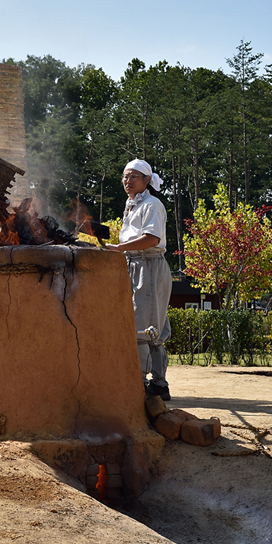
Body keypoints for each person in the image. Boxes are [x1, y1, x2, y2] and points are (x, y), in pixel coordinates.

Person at [105, 159, 173, 401]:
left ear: (146, 180)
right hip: (135, 264)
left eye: (134, 176)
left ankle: (143, 383)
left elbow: (152, 239)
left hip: (149, 265)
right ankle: (157, 384)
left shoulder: (152, 204)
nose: (128, 181)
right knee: (145, 323)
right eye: (125, 176)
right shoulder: (132, 205)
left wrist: (119, 248)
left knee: (144, 327)